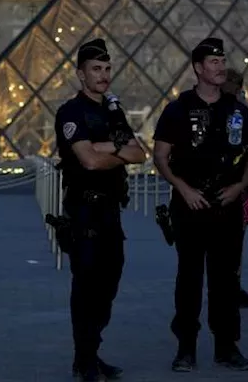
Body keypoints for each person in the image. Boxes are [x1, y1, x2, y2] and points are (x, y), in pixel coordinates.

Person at [153, 37, 248, 373]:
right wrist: (184, 190)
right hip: (190, 203)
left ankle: (227, 346)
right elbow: (160, 155)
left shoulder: (238, 110)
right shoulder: (177, 109)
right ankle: (186, 347)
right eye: (213, 62)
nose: (221, 67)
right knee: (188, 279)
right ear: (198, 68)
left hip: (226, 203)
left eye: (223, 61)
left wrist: (239, 187)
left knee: (226, 279)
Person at [54, 38, 148, 381]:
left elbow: (140, 154)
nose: (104, 75)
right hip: (83, 210)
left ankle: (91, 350)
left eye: (108, 69)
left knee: (109, 285)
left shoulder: (113, 110)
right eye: (96, 69)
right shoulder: (70, 112)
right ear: (81, 74)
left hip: (111, 211)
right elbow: (89, 162)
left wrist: (103, 145)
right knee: (86, 287)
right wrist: (116, 149)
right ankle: (85, 358)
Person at [219, 69, 248, 310]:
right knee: (231, 238)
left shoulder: (241, 112)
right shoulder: (225, 111)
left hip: (243, 184)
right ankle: (229, 285)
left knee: (238, 236)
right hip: (234, 182)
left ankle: (232, 284)